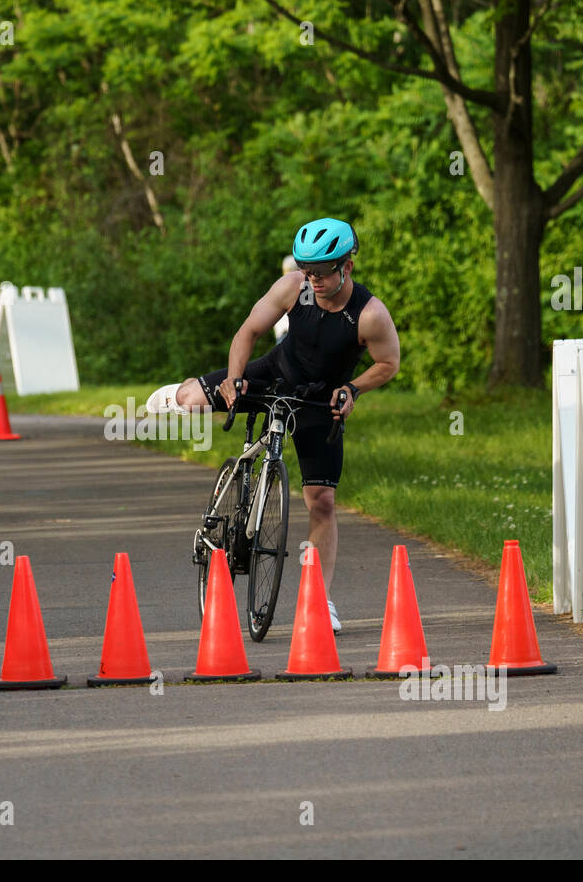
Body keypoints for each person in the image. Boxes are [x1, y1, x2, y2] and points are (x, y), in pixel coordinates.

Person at [147, 217, 400, 632]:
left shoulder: (369, 315)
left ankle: (320, 599)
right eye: (307, 270)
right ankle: (180, 392)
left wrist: (353, 389)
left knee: (322, 501)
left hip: (319, 401)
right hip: (274, 374)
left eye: (321, 273)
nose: (312, 280)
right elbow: (248, 330)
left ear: (347, 268)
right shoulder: (292, 287)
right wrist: (232, 378)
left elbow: (389, 364)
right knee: (193, 400)